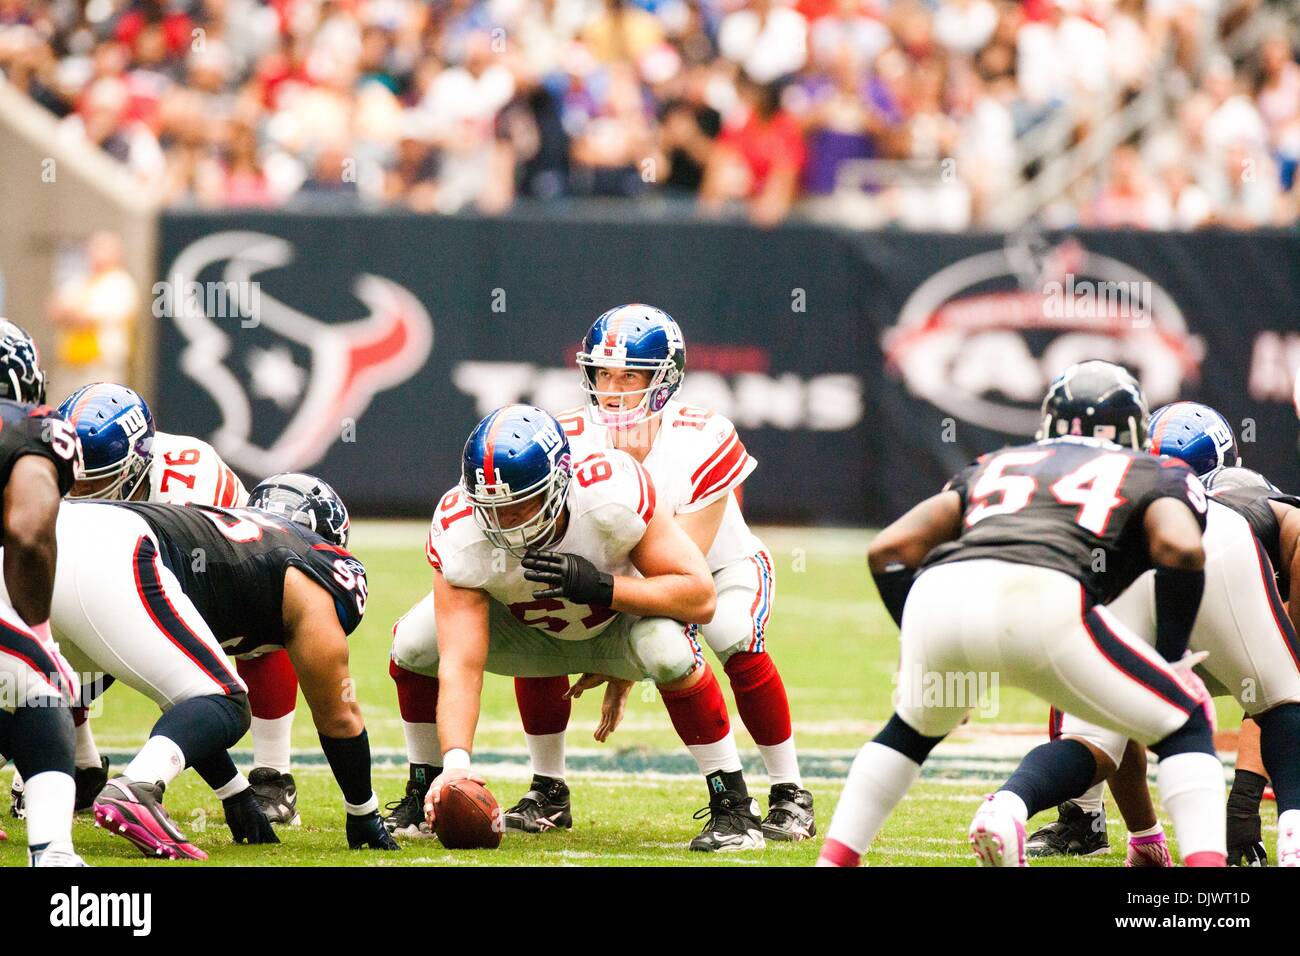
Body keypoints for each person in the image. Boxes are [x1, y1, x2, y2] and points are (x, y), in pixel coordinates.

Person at [818, 361, 1226, 867]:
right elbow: (1182, 551)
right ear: (1135, 427)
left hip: (941, 592)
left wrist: (921, 651)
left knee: (909, 732)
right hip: (1045, 595)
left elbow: (889, 550)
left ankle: (834, 860)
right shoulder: (1155, 471)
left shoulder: (996, 462)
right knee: (1185, 722)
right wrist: (1169, 657)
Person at [388, 404, 767, 851]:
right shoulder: (461, 529)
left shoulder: (611, 494)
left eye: (519, 503)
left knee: (667, 646)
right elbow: (461, 663)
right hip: (528, 632)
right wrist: (457, 762)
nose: (503, 521)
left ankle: (734, 806)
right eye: (491, 507)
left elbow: (699, 597)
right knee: (414, 641)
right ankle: (426, 786)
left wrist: (601, 586)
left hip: (614, 628)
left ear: (560, 483)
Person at [502, 304, 813, 840]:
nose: (614, 387)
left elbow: (684, 578)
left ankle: (789, 792)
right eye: (603, 373)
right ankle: (548, 790)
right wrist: (595, 632)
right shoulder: (568, 438)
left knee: (732, 632)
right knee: (546, 608)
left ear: (664, 380)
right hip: (625, 578)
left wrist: (621, 661)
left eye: (630, 375)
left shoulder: (703, 435)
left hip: (719, 569)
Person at [5, 473, 395, 858]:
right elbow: (338, 715)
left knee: (37, 695)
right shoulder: (314, 569)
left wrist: (235, 792)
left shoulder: (227, 545)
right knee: (227, 699)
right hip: (113, 548)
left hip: (45, 531)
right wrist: (363, 812)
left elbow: (182, 698)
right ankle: (138, 786)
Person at [55, 383, 304, 828]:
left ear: (137, 464)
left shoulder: (191, 479)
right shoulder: (44, 460)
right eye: (72, 477)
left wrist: (233, 787)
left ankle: (273, 772)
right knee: (57, 643)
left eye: (95, 479)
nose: (79, 490)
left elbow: (177, 638)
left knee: (263, 630)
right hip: (106, 573)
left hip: (206, 572)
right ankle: (79, 761)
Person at [0, 320, 85, 866]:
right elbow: (30, 532)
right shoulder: (31, 430)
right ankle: (52, 850)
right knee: (38, 688)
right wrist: (39, 636)